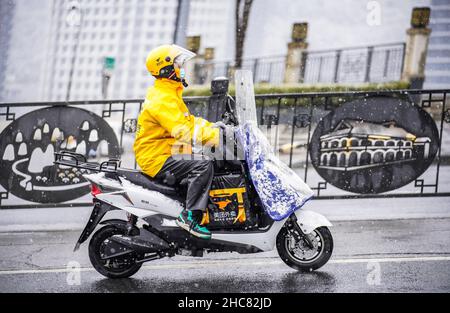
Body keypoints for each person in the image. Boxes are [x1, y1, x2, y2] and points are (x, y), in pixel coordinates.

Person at [134, 44, 220, 240]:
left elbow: (188, 122)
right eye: (177, 64)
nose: (181, 68)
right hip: (157, 157)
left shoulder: (169, 93)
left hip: (165, 151)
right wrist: (217, 138)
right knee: (202, 166)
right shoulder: (162, 99)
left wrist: (215, 127)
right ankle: (189, 217)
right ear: (166, 69)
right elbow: (183, 131)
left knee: (204, 161)